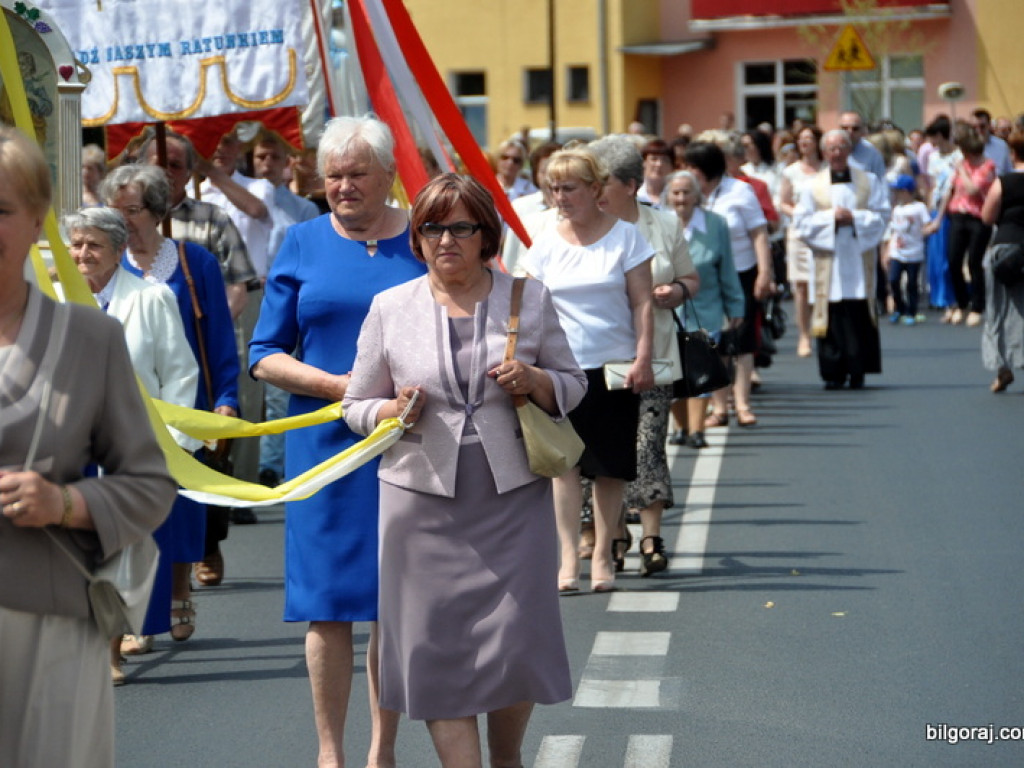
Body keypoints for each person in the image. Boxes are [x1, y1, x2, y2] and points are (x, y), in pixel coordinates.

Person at [343, 173, 584, 767]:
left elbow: (575, 384)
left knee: (515, 644)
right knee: (435, 651)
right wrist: (389, 409)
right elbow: (354, 404)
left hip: (511, 494)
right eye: (431, 227)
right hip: (420, 500)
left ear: (485, 235)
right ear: (417, 238)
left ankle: (507, 757)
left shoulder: (527, 297)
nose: (444, 240)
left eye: (460, 227)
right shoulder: (388, 308)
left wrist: (537, 382)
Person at [249, 115, 427, 768]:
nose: (343, 187)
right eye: (332, 177)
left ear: (387, 175)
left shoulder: (423, 235)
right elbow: (264, 354)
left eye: (357, 174)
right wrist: (335, 386)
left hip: (410, 445)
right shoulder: (300, 242)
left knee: (393, 605)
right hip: (323, 448)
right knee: (327, 607)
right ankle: (331, 754)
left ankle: (383, 751)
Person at [0, 125, 176, 768]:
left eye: (0, 210)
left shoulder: (88, 339)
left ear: (37, 219)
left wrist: (66, 503)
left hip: (50, 621)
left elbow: (151, 484)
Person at [64, 206, 200, 683]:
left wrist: (175, 449)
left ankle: (110, 654)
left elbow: (180, 375)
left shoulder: (151, 298)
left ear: (120, 250)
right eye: (76, 244)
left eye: (93, 244)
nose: (82, 253)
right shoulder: (51, 301)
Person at [99, 164, 240, 624]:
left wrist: (227, 398)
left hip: (183, 400)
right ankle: (139, 613)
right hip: (123, 407)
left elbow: (218, 332)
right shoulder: (107, 263)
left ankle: (180, 590)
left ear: (158, 212)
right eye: (115, 210)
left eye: (132, 210)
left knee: (180, 504)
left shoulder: (192, 261)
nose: (122, 220)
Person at [521, 147, 656, 593]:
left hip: (614, 365)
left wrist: (643, 357)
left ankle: (603, 554)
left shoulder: (626, 237)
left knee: (609, 467)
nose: (560, 197)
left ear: (595, 190)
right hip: (559, 371)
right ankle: (567, 557)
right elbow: (528, 307)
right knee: (564, 467)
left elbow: (642, 302)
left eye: (569, 188)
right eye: (554, 188)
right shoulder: (544, 242)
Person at [589, 135, 699, 576]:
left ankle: (651, 536)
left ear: (631, 185)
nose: (595, 191)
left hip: (655, 353)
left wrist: (676, 290)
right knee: (606, 451)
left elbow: (691, 278)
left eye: (604, 182)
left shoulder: (663, 225)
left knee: (650, 445)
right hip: (599, 357)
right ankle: (613, 534)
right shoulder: (584, 228)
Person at [793, 129, 891, 390]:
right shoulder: (811, 185)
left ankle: (858, 371)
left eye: (841, 148)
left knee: (858, 314)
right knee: (832, 316)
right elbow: (801, 223)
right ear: (824, 153)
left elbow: (882, 215)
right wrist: (830, 218)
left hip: (859, 259)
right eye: (831, 149)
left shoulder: (868, 181)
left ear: (849, 151)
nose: (836, 153)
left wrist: (855, 218)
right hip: (829, 261)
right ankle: (833, 373)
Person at [684, 140, 772, 427]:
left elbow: (759, 233)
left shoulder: (739, 191)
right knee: (713, 344)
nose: (687, 173)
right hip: (707, 278)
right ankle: (719, 408)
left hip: (742, 272)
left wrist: (765, 273)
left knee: (743, 341)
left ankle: (743, 404)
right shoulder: (689, 195)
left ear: (708, 170)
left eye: (693, 168)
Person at [251, 131, 321, 488]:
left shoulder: (303, 209)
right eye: (260, 157)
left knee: (281, 386)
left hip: (287, 301)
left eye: (273, 157)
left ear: (287, 162)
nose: (266, 164)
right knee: (251, 385)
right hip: (251, 295)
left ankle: (271, 462)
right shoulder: (239, 200)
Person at [663, 171, 744, 449]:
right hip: (665, 312)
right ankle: (681, 427)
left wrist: (736, 305)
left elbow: (728, 269)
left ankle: (698, 430)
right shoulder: (659, 224)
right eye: (676, 192)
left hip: (706, 310)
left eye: (687, 192)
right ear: (668, 196)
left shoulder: (716, 225)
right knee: (672, 372)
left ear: (698, 195)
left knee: (700, 369)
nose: (681, 198)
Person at [139, 130, 256, 320]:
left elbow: (237, 288)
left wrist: (213, 329)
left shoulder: (214, 218)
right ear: (141, 170)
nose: (165, 172)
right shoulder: (126, 220)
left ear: (188, 175)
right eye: (158, 164)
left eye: (175, 166)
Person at [925, 126, 997, 327]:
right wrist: (938, 218)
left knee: (974, 263)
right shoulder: (961, 166)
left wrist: (963, 170)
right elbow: (950, 191)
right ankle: (961, 302)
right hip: (957, 215)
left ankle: (977, 306)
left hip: (978, 218)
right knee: (953, 260)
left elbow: (973, 189)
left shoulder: (987, 166)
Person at [980, 129, 1024, 393]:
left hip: (1006, 246)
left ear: (1013, 153)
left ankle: (1002, 367)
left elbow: (987, 216)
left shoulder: (1004, 182)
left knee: (998, 308)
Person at [779, 125, 824, 355]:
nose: (805, 142)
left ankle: (821, 328)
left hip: (824, 232)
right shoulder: (791, 171)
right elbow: (783, 202)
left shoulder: (826, 169)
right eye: (802, 139)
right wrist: (797, 213)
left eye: (809, 138)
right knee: (801, 285)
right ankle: (804, 335)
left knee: (822, 283)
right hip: (798, 233)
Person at [921, 116, 959, 318]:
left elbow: (950, 189)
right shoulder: (934, 157)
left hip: (951, 210)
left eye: (932, 138)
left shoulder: (958, 156)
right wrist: (929, 214)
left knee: (947, 258)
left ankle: (952, 301)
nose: (930, 143)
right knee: (935, 258)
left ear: (939, 135)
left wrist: (939, 217)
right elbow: (934, 185)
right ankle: (941, 299)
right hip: (936, 208)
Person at [883, 175, 931, 325]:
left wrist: (924, 233)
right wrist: (887, 251)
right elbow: (893, 231)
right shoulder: (897, 209)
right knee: (894, 280)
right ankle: (900, 308)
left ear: (906, 192)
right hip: (898, 252)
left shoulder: (919, 208)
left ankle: (912, 311)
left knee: (911, 283)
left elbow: (927, 225)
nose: (895, 195)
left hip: (914, 252)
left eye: (898, 191)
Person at [839, 110, 887, 182]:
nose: (850, 132)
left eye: (855, 129)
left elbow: (881, 182)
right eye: (845, 128)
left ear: (862, 130)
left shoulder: (872, 153)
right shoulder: (829, 150)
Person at [972, 108, 1013, 175]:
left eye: (982, 126)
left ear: (989, 125)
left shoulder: (1001, 145)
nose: (978, 130)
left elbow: (1009, 171)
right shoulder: (967, 148)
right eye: (974, 127)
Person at [637, 138, 673, 207]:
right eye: (654, 159)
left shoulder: (677, 196)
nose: (659, 164)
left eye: (665, 160)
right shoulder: (635, 195)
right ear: (643, 162)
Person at [81, 143, 106, 207]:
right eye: (82, 167)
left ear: (100, 172)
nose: (85, 172)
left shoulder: (106, 198)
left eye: (90, 168)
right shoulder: (75, 197)